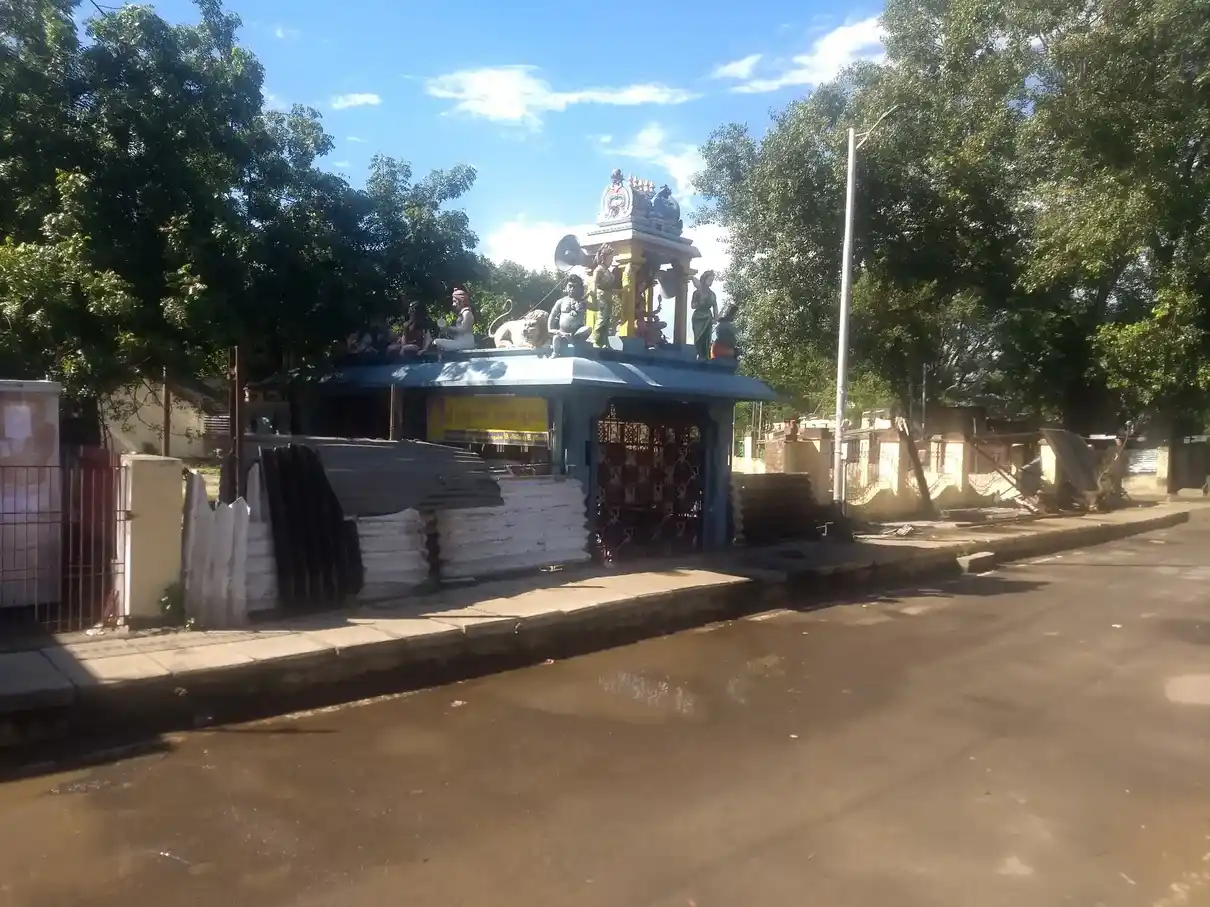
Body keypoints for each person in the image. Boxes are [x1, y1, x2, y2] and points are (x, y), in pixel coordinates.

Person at [547, 274, 593, 355]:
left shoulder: (583, 302)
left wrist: (593, 296)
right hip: (562, 332)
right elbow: (552, 315)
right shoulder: (561, 301)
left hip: (577, 332)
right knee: (556, 339)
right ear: (566, 287)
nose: (572, 289)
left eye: (575, 287)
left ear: (580, 289)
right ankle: (555, 353)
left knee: (588, 329)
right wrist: (551, 329)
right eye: (570, 286)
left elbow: (596, 307)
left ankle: (576, 340)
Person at [431, 287, 476, 352]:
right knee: (436, 341)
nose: (453, 304)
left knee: (437, 342)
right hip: (459, 342)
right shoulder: (462, 314)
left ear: (461, 301)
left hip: (466, 343)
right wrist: (446, 330)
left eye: (454, 301)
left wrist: (448, 328)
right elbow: (458, 332)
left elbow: (463, 330)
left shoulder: (467, 313)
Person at [691, 271, 718, 360]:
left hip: (708, 317)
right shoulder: (697, 292)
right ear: (704, 279)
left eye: (712, 280)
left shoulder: (712, 294)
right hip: (698, 317)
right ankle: (699, 354)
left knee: (707, 338)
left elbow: (715, 306)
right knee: (699, 338)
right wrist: (700, 303)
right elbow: (693, 306)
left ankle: (706, 356)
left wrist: (716, 318)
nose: (711, 281)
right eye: (709, 279)